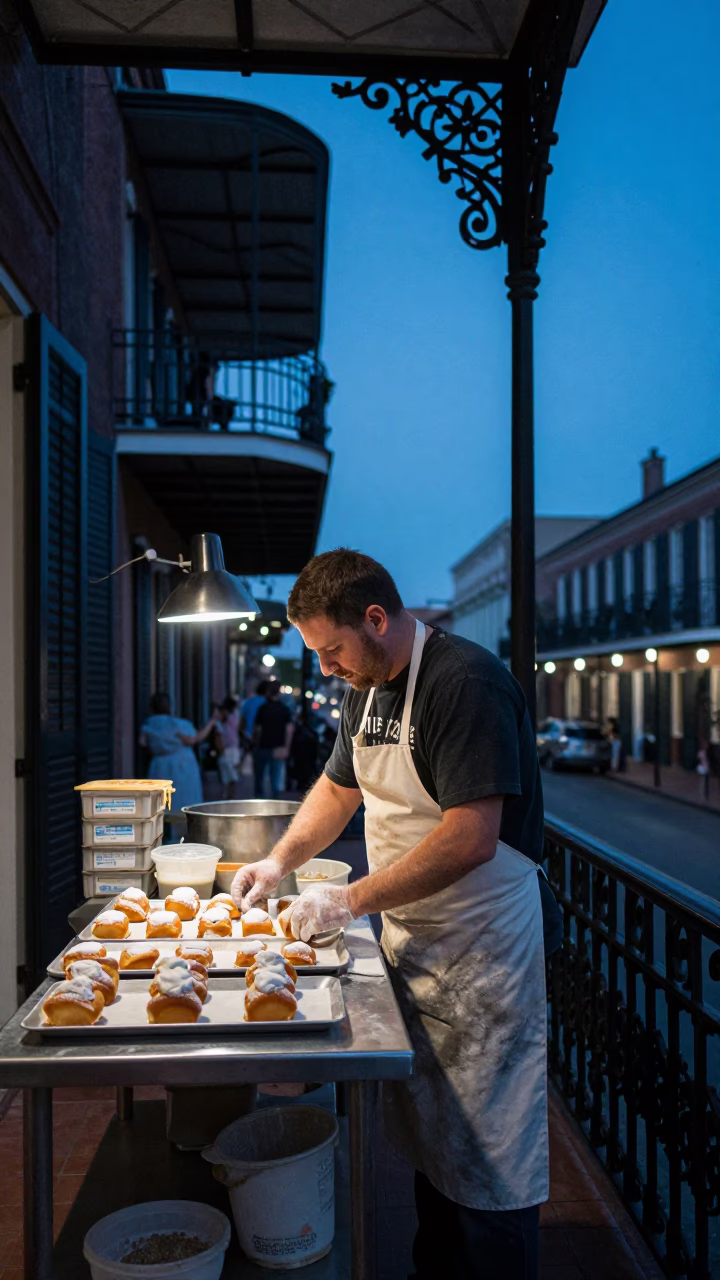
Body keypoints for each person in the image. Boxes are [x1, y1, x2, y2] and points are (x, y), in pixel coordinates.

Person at [232, 549, 561, 1280]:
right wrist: (277, 862)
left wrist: (348, 899)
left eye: (331, 650)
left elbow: (472, 835)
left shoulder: (463, 682)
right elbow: (337, 789)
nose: (324, 669)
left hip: (487, 950)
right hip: (418, 940)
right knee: (433, 1137)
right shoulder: (367, 686)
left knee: (489, 1153)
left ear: (375, 619)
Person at [139, 693, 218, 815]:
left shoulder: (148, 724)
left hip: (158, 765)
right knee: (183, 798)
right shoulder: (177, 724)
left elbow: (143, 743)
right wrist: (212, 722)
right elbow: (193, 739)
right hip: (181, 765)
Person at [253, 681, 294, 799]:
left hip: (262, 746)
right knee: (275, 780)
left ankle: (258, 802)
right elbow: (289, 730)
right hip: (278, 748)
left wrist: (254, 742)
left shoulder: (262, 709)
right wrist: (286, 747)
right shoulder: (285, 710)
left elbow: (257, 729)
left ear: (268, 692)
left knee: (259, 779)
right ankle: (275, 806)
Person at [215, 696, 241, 799]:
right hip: (227, 747)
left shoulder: (234, 714)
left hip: (232, 746)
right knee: (228, 774)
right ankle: (227, 794)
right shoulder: (222, 719)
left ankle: (229, 794)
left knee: (232, 774)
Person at [239, 681, 267, 761]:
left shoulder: (248, 702)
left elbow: (242, 721)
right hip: (264, 738)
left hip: (248, 736)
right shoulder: (267, 703)